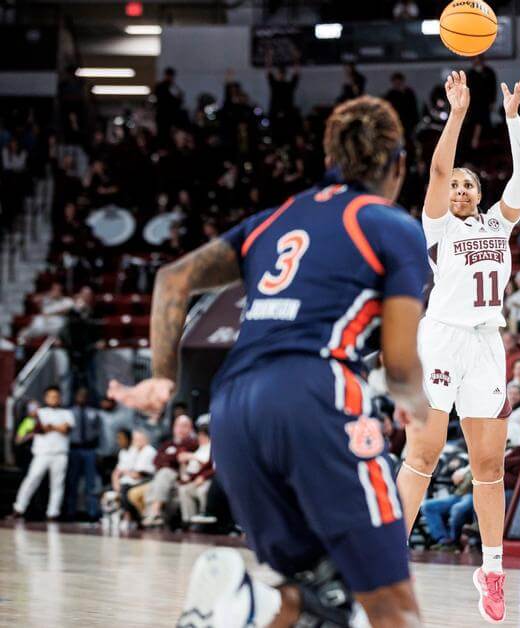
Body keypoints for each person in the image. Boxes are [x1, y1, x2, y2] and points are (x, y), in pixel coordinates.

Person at [109, 96, 429, 627]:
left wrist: (163, 378)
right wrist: (416, 403)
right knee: (396, 609)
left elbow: (173, 279)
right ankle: (246, 603)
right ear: (398, 164)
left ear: (330, 155)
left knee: (320, 603)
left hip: (232, 407)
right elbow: (398, 366)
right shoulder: (391, 225)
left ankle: (246, 606)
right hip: (314, 392)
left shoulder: (274, 218)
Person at [396, 69, 520, 624]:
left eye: (468, 185)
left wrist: (512, 119)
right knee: (424, 456)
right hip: (441, 339)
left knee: (488, 465)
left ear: (479, 195)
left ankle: (493, 570)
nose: (459, 190)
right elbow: (434, 168)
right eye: (454, 184)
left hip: (485, 344)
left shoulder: (497, 227)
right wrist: (456, 114)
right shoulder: (438, 230)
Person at [9, 386, 74, 521]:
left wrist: (50, 427)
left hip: (60, 454)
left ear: (60, 398)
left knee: (57, 484)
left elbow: (65, 428)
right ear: (45, 398)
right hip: (42, 454)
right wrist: (40, 427)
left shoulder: (66, 413)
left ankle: (52, 513)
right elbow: (27, 430)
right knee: (32, 479)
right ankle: (19, 508)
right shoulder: (39, 413)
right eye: (50, 396)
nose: (53, 399)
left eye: (56, 396)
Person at [63, 386, 102, 521]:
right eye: (80, 395)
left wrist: (97, 450)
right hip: (74, 449)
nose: (82, 398)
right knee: (72, 481)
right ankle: (70, 512)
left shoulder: (93, 413)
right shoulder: (69, 412)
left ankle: (92, 512)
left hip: (89, 449)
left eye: (84, 395)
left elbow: (98, 431)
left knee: (90, 483)